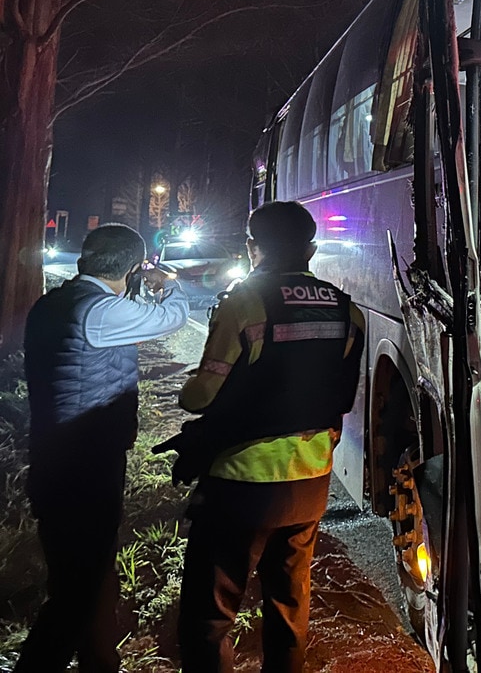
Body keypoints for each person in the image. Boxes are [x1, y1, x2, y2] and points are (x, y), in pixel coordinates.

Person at [164, 201, 365, 673]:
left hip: (240, 482)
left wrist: (190, 390)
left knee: (210, 615)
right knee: (290, 605)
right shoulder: (346, 308)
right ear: (311, 249)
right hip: (310, 481)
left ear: (253, 247)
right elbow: (342, 396)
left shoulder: (245, 301)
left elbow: (199, 397)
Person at [19, 223, 191, 673]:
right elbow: (172, 318)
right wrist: (169, 286)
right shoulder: (100, 313)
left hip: (56, 458)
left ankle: (100, 662)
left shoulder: (55, 303)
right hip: (86, 467)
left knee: (81, 581)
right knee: (77, 594)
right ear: (133, 270)